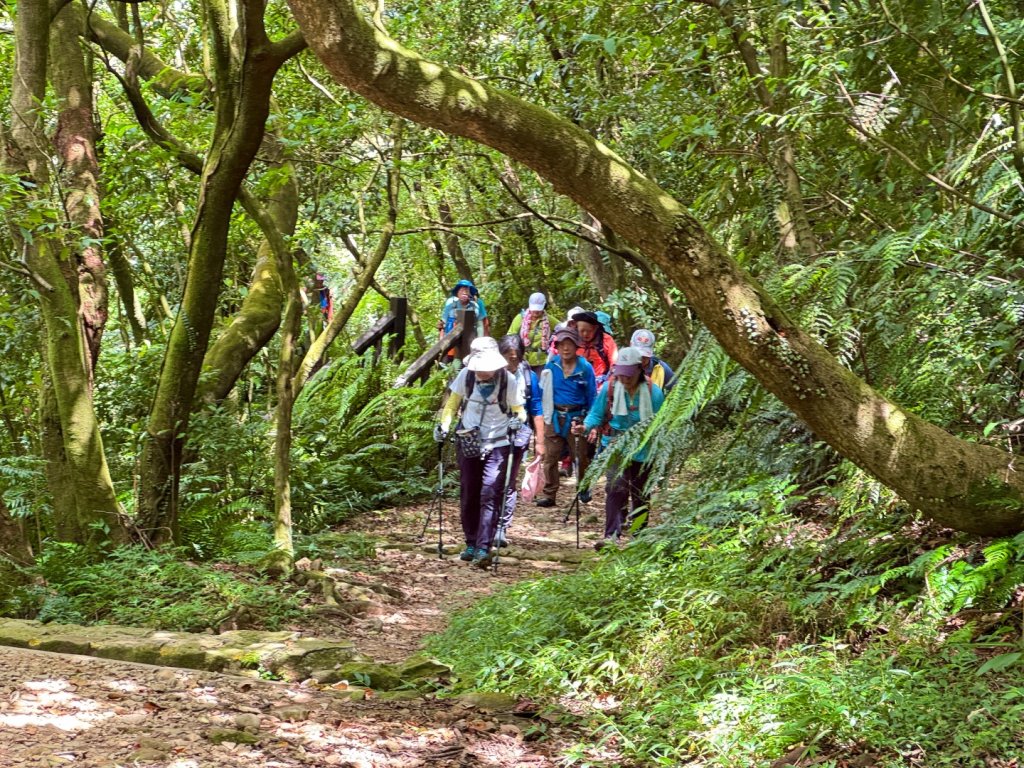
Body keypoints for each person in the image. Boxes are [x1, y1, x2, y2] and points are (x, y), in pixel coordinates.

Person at [434, 337, 525, 568]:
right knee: (469, 492)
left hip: (498, 442)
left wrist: (518, 421)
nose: (483, 372)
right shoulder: (465, 376)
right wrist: (444, 426)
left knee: (489, 492)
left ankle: (484, 547)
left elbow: (519, 410)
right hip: (469, 439)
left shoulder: (508, 380)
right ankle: (471, 543)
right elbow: (451, 406)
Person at [578, 346, 665, 549]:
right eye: (621, 374)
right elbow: (596, 414)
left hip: (644, 449)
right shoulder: (610, 388)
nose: (624, 379)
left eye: (628, 375)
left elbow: (661, 424)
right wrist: (585, 427)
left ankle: (639, 535)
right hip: (615, 445)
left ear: (639, 370)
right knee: (615, 488)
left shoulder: (653, 393)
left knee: (641, 492)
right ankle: (611, 536)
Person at [536, 326, 596, 508]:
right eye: (562, 344)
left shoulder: (585, 367)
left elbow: (592, 395)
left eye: (569, 344)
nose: (566, 348)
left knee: (580, 457)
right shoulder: (551, 366)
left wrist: (591, 423)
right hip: (554, 416)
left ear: (576, 346)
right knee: (550, 457)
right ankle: (549, 494)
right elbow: (542, 391)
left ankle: (583, 488)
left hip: (577, 417)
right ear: (557, 347)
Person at [495, 335, 545, 547]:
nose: (510, 362)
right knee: (490, 479)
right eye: (507, 357)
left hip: (518, 433)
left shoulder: (528, 377)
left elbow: (537, 408)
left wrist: (540, 442)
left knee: (508, 479)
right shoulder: (490, 373)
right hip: (492, 430)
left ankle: (501, 526)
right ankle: (486, 522)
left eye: (514, 358)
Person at [438, 279, 490, 347]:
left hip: (471, 339)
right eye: (462, 290)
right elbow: (442, 323)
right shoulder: (450, 304)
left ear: (470, 293)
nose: (464, 292)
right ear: (457, 293)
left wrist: (480, 341)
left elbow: (480, 324)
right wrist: (441, 341)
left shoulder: (475, 305)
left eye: (467, 290)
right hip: (451, 339)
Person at [507, 292, 552, 371]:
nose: (536, 311)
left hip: (542, 361)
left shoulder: (548, 319)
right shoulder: (520, 318)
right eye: (534, 308)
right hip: (523, 360)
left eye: (539, 308)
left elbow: (561, 327)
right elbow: (510, 337)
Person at [571, 310, 618, 383]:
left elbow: (614, 363)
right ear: (577, 328)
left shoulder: (605, 340)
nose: (585, 334)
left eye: (589, 331)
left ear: (595, 328)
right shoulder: (572, 340)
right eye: (582, 331)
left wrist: (610, 381)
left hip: (601, 383)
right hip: (576, 382)